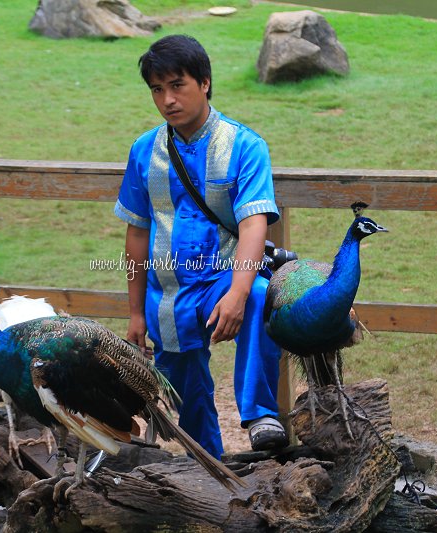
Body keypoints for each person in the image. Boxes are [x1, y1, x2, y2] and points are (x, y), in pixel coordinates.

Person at [114, 34, 288, 459]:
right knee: (187, 394)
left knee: (262, 298)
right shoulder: (144, 151)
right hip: (167, 295)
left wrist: (238, 292)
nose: (168, 99)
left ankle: (261, 415)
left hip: (227, 275)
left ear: (205, 83)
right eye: (158, 89)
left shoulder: (244, 145)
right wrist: (136, 313)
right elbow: (136, 234)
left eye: (178, 85)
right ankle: (208, 471)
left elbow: (253, 224)